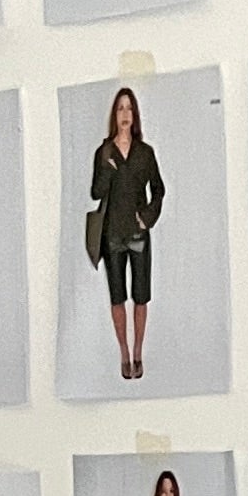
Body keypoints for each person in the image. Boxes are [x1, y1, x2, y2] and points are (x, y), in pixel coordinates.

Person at [88, 84, 165, 384]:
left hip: (138, 235)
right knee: (118, 297)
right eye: (120, 108)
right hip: (112, 236)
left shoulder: (145, 153)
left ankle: (138, 351)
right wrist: (108, 169)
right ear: (114, 115)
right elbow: (96, 192)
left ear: (135, 114)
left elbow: (158, 189)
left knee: (141, 297)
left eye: (129, 108)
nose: (125, 113)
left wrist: (146, 217)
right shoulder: (104, 151)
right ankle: (123, 352)